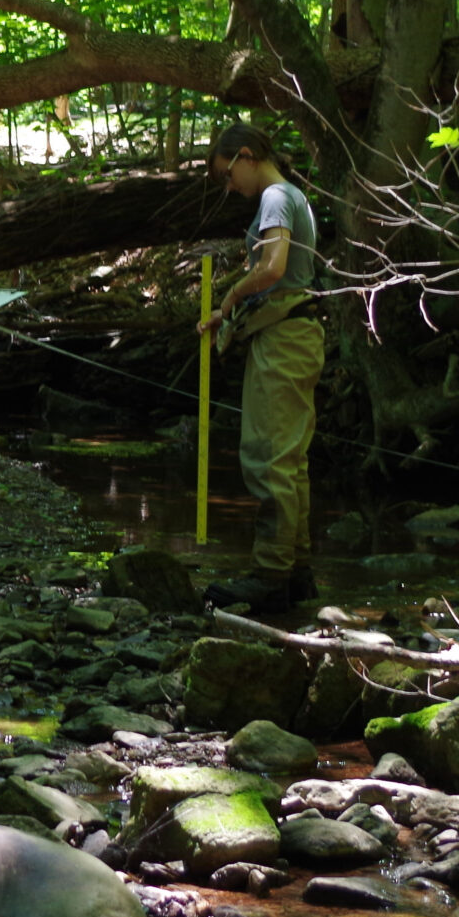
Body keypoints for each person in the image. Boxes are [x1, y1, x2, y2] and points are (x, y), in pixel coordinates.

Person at [196, 122, 324, 615]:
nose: (230, 188)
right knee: (292, 460)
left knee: (268, 455)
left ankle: (271, 575)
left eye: (227, 176)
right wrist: (226, 313)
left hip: (284, 339)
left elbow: (271, 269)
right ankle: (297, 571)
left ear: (246, 156)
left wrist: (229, 297)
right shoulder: (293, 196)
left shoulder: (275, 197)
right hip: (296, 332)